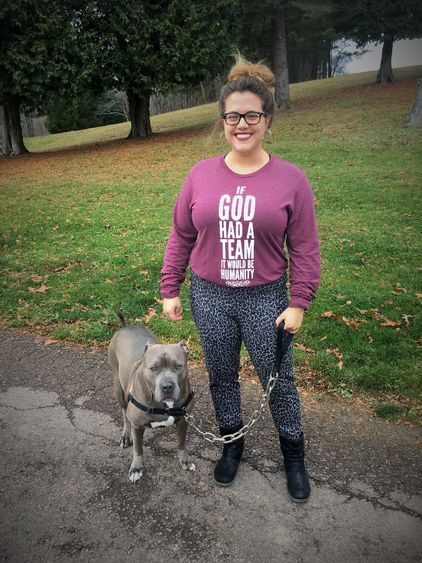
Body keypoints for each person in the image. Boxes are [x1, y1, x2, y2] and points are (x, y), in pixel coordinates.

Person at [160, 56, 320, 503]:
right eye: (233, 116)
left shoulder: (291, 179)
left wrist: (299, 301)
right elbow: (181, 234)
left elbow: (305, 247)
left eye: (252, 115)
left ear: (267, 119)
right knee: (222, 376)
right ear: (223, 120)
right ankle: (233, 444)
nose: (242, 124)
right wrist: (171, 287)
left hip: (266, 299)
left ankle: (293, 455)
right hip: (209, 296)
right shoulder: (200, 175)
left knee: (278, 380)